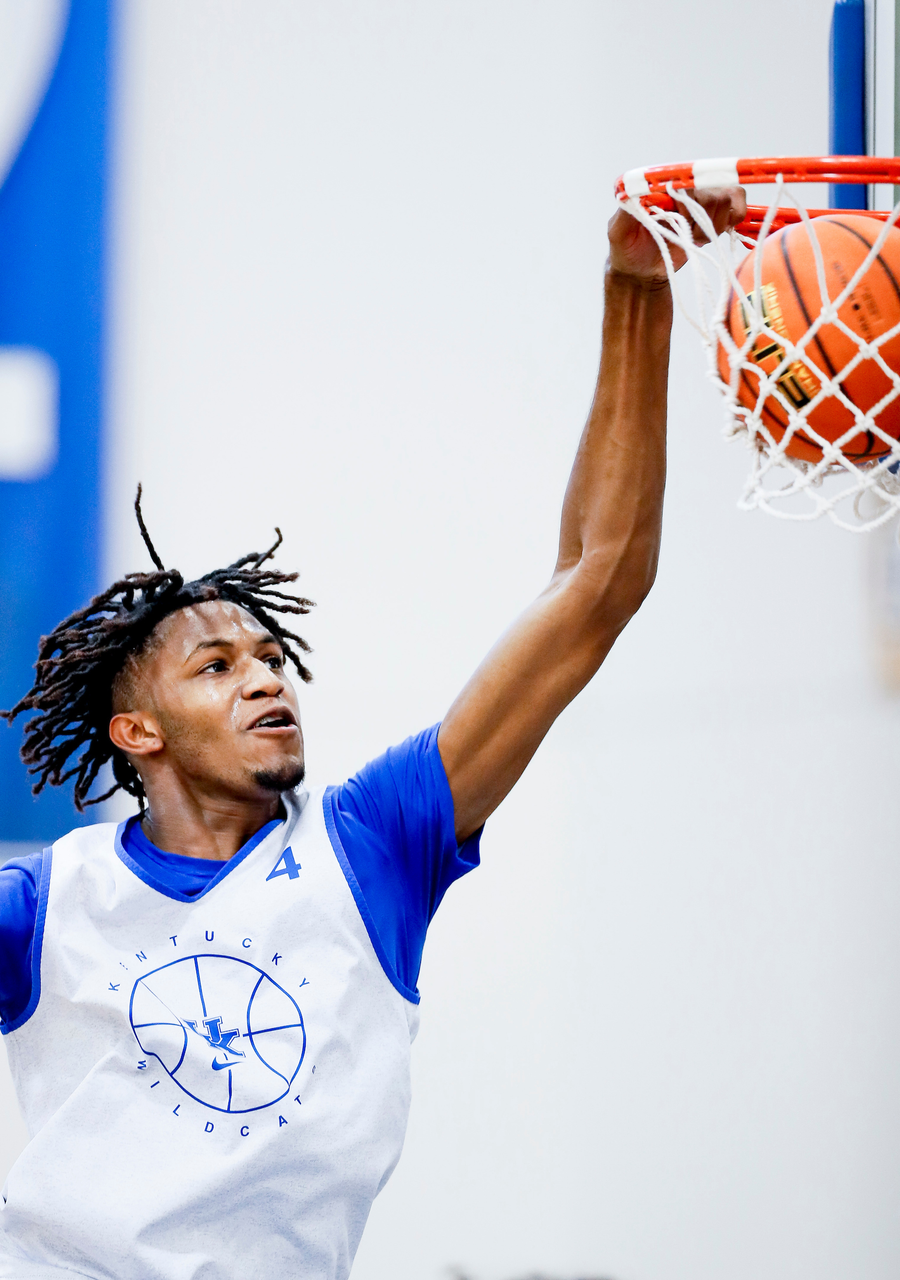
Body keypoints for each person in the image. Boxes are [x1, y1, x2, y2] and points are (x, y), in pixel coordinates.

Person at [0, 188, 744, 1280]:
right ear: (137, 730)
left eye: (271, 657)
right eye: (217, 666)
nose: (266, 678)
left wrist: (637, 285)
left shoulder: (371, 844)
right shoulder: (45, 903)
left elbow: (597, 582)